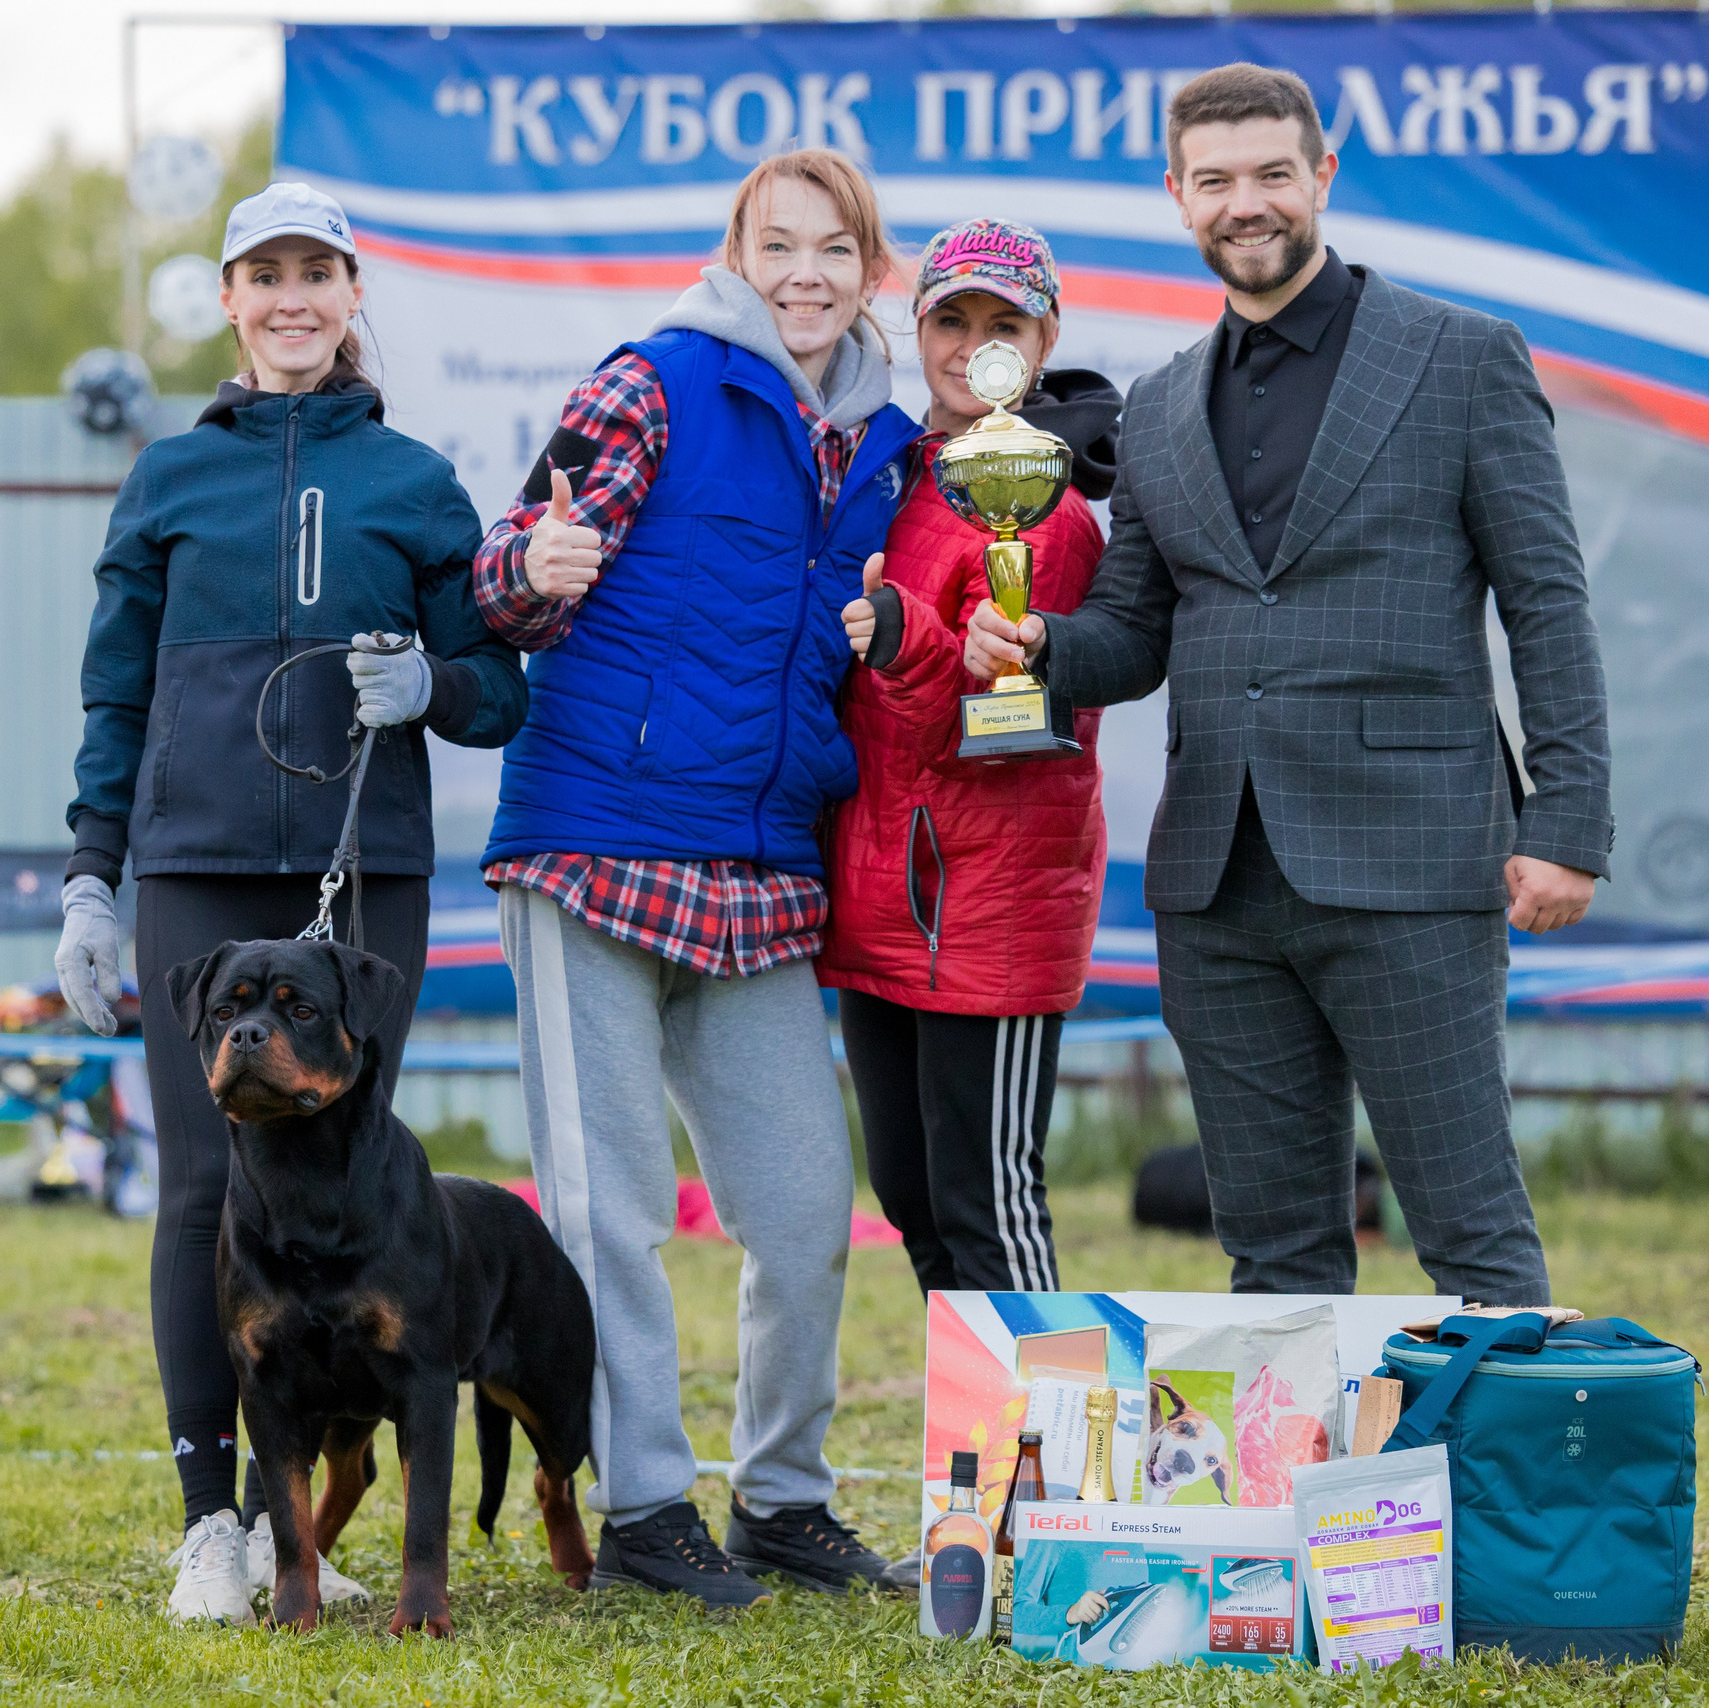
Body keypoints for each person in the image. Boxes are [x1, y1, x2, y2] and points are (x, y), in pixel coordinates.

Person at [969, 65, 1612, 1306]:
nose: (1244, 203)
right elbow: (1132, 635)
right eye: (1214, 181)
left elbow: (1547, 602)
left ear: (1322, 176)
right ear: (1177, 196)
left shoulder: (1461, 359)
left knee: (1470, 1235)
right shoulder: (1157, 409)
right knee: (1271, 1258)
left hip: (1414, 867)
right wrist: (1038, 646)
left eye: (1271, 173)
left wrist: (1567, 821)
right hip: (1218, 887)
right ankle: (1304, 1506)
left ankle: (1509, 1505)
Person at [53, 182, 528, 1625]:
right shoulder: (167, 482)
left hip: (359, 875)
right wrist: (90, 874)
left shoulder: (418, 484)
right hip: (196, 869)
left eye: (317, 273)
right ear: (228, 300)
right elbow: (114, 693)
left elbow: (500, 692)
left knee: (361, 1190)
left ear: (351, 293)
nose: (292, 299)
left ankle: (301, 1527)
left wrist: (430, 685)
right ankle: (219, 1527)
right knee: (205, 1188)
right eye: (265, 275)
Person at [472, 149, 922, 1606]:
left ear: (871, 271)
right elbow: (506, 568)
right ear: (739, 254)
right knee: (611, 1212)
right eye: (778, 245)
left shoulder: (891, 441)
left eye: (833, 250)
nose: (805, 274)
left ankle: (783, 1499)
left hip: (762, 869)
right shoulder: (654, 381)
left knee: (800, 1211)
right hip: (592, 841)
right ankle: (649, 1511)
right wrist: (534, 564)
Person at [825, 219, 1119, 1300]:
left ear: (1043, 338)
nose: (970, 343)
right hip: (880, 897)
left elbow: (1016, 722)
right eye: (951, 317)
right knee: (913, 1203)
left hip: (984, 901)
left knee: (989, 1210)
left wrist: (910, 640)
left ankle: (1051, 1459)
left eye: (1003, 322)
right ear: (916, 325)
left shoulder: (1050, 508)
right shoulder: (893, 472)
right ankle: (983, 1460)